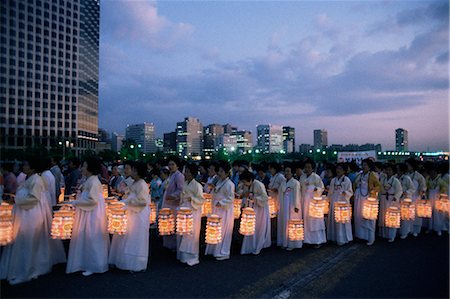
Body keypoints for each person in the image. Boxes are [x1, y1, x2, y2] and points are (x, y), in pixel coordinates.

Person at [0, 158, 62, 285]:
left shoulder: (36, 180)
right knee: (24, 240)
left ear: (33, 168)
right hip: (25, 213)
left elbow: (33, 199)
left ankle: (26, 270)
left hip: (30, 214)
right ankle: (23, 268)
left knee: (26, 241)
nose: (24, 166)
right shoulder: (32, 178)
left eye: (26, 164)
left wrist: (16, 200)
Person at [66, 157, 109, 276]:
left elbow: (93, 201)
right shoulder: (90, 180)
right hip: (87, 212)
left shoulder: (93, 181)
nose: (82, 168)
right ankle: (86, 263)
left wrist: (76, 202)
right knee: (87, 237)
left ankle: (94, 265)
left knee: (92, 237)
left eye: (84, 166)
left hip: (92, 213)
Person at [109, 162, 150, 272]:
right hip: (132, 212)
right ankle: (125, 262)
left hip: (138, 214)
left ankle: (135, 263)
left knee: (135, 238)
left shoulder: (142, 184)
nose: (132, 172)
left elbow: (142, 202)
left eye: (134, 170)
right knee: (128, 237)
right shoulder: (135, 183)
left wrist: (127, 202)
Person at [205, 161, 235, 260]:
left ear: (227, 173)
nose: (219, 173)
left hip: (224, 210)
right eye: (219, 171)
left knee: (223, 230)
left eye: (222, 171)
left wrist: (221, 202)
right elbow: (217, 191)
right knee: (216, 229)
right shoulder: (219, 181)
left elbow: (231, 198)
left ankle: (223, 252)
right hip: (216, 208)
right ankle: (214, 250)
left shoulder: (230, 184)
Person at [177, 163, 205, 266]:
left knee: (191, 232)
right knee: (184, 231)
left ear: (193, 173)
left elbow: (201, 199)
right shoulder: (185, 183)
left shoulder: (197, 185)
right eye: (185, 171)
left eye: (188, 172)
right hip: (184, 208)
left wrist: (191, 199)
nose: (186, 173)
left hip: (193, 209)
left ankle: (192, 256)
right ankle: (183, 256)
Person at [240, 170, 271, 255]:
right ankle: (249, 247)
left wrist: (253, 197)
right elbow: (245, 195)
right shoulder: (247, 185)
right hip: (251, 208)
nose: (244, 183)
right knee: (250, 227)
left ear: (250, 179)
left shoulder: (259, 185)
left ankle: (258, 245)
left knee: (258, 227)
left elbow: (265, 198)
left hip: (260, 209)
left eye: (244, 181)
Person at [353, 159, 381, 246]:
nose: (363, 166)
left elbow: (378, 186)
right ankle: (360, 236)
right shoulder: (360, 175)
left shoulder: (372, 175)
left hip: (367, 199)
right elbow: (354, 184)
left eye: (365, 165)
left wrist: (373, 191)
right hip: (359, 197)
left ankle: (370, 238)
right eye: (363, 165)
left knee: (368, 218)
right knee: (358, 217)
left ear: (369, 166)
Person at [299, 159, 325, 248]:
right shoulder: (302, 177)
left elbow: (321, 188)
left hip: (313, 204)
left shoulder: (316, 177)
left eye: (309, 167)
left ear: (312, 168)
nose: (307, 169)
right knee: (306, 221)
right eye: (306, 167)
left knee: (315, 222)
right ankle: (307, 240)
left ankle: (317, 240)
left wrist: (316, 189)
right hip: (304, 202)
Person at [327, 163, 353, 246]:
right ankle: (334, 237)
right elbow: (330, 192)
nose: (338, 170)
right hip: (334, 201)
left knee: (342, 221)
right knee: (334, 220)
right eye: (337, 168)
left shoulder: (347, 180)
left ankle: (342, 238)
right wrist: (328, 200)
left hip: (343, 202)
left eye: (340, 169)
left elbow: (350, 191)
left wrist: (345, 193)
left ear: (344, 171)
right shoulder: (333, 180)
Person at [161, 157, 184, 251]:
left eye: (172, 164)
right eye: (169, 164)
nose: (170, 166)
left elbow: (181, 190)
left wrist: (173, 196)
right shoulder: (171, 175)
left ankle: (174, 246)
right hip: (167, 202)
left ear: (177, 166)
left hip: (174, 204)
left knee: (173, 224)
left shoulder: (179, 176)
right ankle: (168, 245)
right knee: (167, 223)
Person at [277, 163, 302, 251]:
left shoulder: (295, 183)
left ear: (292, 173)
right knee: (284, 223)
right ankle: (284, 241)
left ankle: (292, 243)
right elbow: (280, 194)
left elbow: (297, 195)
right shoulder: (283, 182)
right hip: (284, 204)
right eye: (285, 171)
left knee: (291, 223)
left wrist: (296, 206)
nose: (286, 173)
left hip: (291, 204)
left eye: (288, 171)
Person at [378, 164, 403, 243]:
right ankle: (383, 234)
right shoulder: (383, 179)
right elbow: (380, 189)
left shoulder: (395, 180)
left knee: (391, 218)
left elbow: (399, 190)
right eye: (387, 170)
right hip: (383, 199)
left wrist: (396, 197)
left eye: (390, 170)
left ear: (393, 171)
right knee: (383, 217)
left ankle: (391, 236)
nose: (388, 172)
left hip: (392, 200)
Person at [425, 163, 448, 236]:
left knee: (438, 214)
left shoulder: (440, 180)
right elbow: (426, 188)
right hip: (430, 197)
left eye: (434, 172)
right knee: (430, 213)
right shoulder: (428, 179)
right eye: (431, 172)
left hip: (437, 197)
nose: (432, 174)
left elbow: (444, 188)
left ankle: (438, 229)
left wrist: (441, 196)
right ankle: (430, 228)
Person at [405, 158, 427, 236]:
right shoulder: (406, 175)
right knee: (407, 214)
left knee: (416, 215)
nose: (406, 166)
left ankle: (415, 230)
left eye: (408, 165)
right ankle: (407, 229)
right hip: (406, 197)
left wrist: (422, 193)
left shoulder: (419, 176)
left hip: (416, 197)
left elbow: (423, 186)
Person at [397, 163, 416, 239]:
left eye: (398, 169)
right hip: (398, 198)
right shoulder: (395, 177)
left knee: (405, 217)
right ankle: (399, 230)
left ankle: (405, 232)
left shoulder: (407, 178)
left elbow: (412, 188)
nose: (397, 170)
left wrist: (406, 192)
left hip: (405, 199)